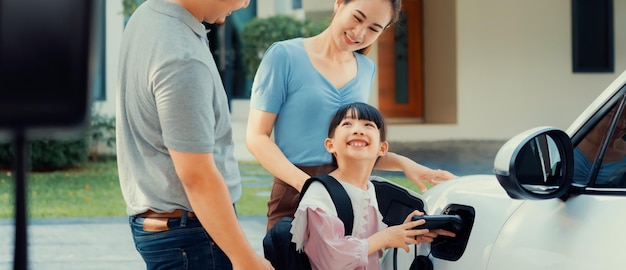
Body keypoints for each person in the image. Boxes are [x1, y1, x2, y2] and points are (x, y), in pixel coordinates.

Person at [246, 0, 456, 231]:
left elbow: (351, 147)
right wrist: (310, 186)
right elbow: (257, 137)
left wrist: (405, 164)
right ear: (338, 4)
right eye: (357, 17)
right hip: (294, 193)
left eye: (374, 28)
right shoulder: (284, 55)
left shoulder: (366, 68)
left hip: (350, 194)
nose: (359, 33)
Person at [116, 0, 272, 269]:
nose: (246, 3)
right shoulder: (182, 57)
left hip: (171, 228)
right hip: (192, 235)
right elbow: (197, 176)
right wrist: (245, 259)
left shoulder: (149, 13)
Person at [290, 102, 455, 269]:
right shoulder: (320, 195)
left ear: (382, 148)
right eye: (347, 123)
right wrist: (384, 237)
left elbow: (367, 244)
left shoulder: (370, 190)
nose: (358, 130)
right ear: (330, 145)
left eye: (368, 125)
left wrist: (404, 233)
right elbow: (331, 258)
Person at [574, 101, 626, 186]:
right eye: (613, 114)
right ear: (597, 113)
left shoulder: (624, 153)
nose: (622, 124)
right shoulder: (572, 139)